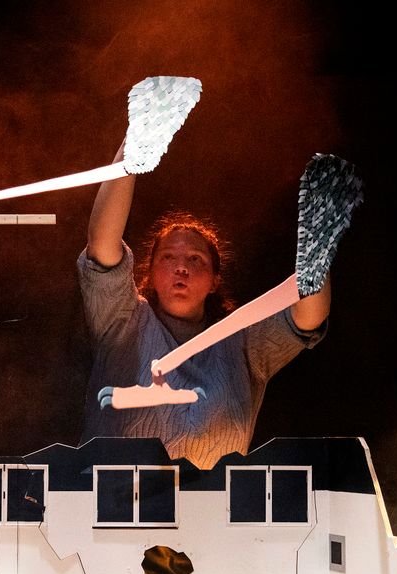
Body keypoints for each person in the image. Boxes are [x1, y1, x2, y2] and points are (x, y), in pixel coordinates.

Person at [77, 140, 332, 469]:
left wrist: (319, 235)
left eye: (195, 259)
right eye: (168, 257)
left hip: (217, 503)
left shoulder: (241, 342)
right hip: (111, 500)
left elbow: (309, 316)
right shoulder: (123, 321)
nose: (181, 267)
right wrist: (134, 145)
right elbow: (102, 243)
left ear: (213, 280)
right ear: (150, 272)